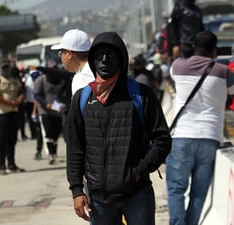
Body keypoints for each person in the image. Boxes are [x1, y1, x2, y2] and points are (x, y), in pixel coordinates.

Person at [66, 32, 172, 225]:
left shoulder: (141, 95)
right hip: (98, 200)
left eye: (111, 54)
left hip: (137, 195)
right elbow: (75, 149)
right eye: (99, 55)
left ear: (122, 59)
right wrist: (76, 190)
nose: (105, 60)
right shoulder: (81, 99)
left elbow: (162, 140)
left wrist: (138, 171)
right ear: (91, 60)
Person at [166, 31, 234, 225]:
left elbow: (172, 77)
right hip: (210, 137)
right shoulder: (223, 72)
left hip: (181, 136)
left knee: (176, 189)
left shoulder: (178, 66)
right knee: (199, 193)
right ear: (214, 50)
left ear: (194, 47)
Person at [0, 60, 26, 175]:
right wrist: (8, 102)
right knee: (2, 140)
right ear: (0, 68)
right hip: (1, 113)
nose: (6, 69)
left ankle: (11, 163)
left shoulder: (13, 78)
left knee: (12, 139)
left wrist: (19, 99)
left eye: (7, 67)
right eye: (4, 67)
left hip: (13, 112)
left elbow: (21, 91)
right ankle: (2, 164)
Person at [34, 60, 67, 165]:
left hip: (57, 110)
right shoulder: (41, 79)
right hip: (45, 111)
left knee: (56, 132)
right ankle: (50, 154)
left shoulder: (61, 79)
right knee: (48, 131)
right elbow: (37, 94)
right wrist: (45, 103)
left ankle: (54, 152)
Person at [51, 28, 95, 96]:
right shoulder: (98, 68)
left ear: (69, 54)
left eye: (61, 53)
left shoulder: (81, 79)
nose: (61, 57)